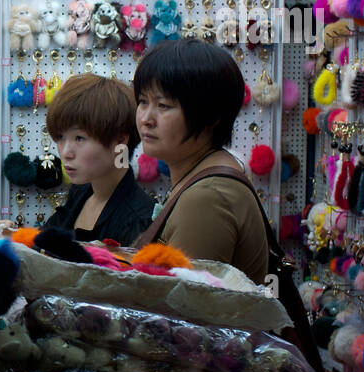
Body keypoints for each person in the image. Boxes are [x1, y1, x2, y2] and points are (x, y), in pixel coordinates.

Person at [132, 39, 270, 283]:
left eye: (163, 105)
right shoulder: (203, 177)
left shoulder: (208, 197)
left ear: (211, 117)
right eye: (143, 101)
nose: (146, 118)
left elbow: (179, 310)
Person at [40, 74, 155, 245]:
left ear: (120, 140)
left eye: (79, 138)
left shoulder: (139, 220)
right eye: (61, 137)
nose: (65, 152)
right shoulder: (81, 192)